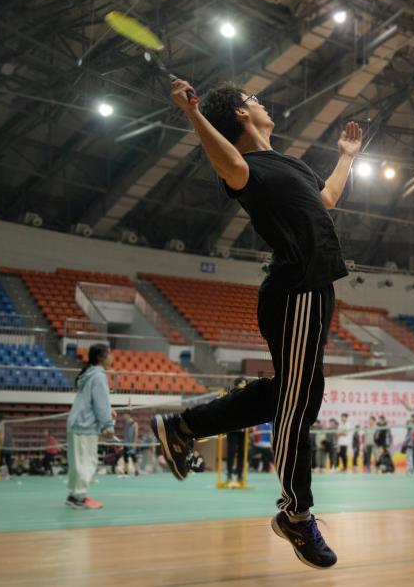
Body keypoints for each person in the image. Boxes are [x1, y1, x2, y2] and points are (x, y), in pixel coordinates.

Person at [153, 80, 363, 569]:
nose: (263, 102)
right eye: (253, 99)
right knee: (297, 404)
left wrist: (346, 158)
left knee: (294, 396)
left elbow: (327, 200)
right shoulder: (246, 168)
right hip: (296, 290)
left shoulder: (291, 164)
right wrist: (193, 114)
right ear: (242, 115)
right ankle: (296, 512)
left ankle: (184, 426)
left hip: (316, 290)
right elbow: (228, 164)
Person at [66, 344, 115, 510]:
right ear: (101, 357)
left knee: (77, 463)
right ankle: (79, 498)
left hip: (77, 423)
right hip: (84, 425)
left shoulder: (89, 374)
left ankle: (74, 495)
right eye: (109, 354)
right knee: (87, 462)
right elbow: (101, 404)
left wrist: (108, 411)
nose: (112, 357)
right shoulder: (99, 376)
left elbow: (91, 401)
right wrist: (108, 425)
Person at [120, 412, 139, 478]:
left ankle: (136, 472)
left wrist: (134, 443)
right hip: (126, 444)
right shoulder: (125, 424)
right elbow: (125, 434)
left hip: (132, 444)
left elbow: (136, 434)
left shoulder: (134, 423)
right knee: (125, 458)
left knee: (134, 458)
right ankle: (126, 473)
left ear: (128, 415)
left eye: (124, 415)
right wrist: (123, 443)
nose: (123, 416)